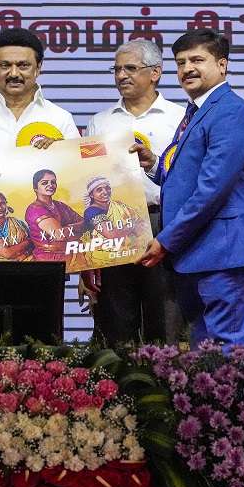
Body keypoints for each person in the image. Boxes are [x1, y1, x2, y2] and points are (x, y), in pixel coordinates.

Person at [134, 28, 244, 348]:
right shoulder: (197, 110)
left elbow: (211, 190)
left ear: (222, 65)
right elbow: (186, 178)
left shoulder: (230, 112)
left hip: (224, 253)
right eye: (180, 63)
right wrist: (153, 163)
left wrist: (166, 240)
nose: (187, 69)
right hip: (200, 253)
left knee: (226, 351)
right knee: (205, 352)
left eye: (197, 60)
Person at [85, 38, 184, 345]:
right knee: (115, 321)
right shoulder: (100, 121)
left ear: (155, 72)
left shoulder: (181, 118)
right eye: (116, 69)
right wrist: (87, 258)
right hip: (111, 226)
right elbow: (86, 181)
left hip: (163, 221)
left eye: (130, 68)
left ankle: (166, 375)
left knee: (166, 317)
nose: (121, 75)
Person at [0, 28, 80, 155]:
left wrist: (63, 153)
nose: (14, 73)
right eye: (5, 65)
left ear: (38, 68)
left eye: (23, 65)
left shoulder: (61, 118)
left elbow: (81, 166)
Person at [25, 169, 84, 262]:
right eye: (44, 183)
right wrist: (76, 230)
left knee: (79, 272)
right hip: (49, 258)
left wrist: (68, 228)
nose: (50, 185)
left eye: (53, 182)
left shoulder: (60, 205)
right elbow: (59, 235)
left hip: (73, 253)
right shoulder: (34, 209)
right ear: (35, 187)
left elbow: (85, 223)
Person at [0, 191, 33, 260]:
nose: (0, 207)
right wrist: (28, 241)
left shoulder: (18, 223)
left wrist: (25, 255)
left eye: (2, 203)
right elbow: (7, 253)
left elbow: (34, 243)